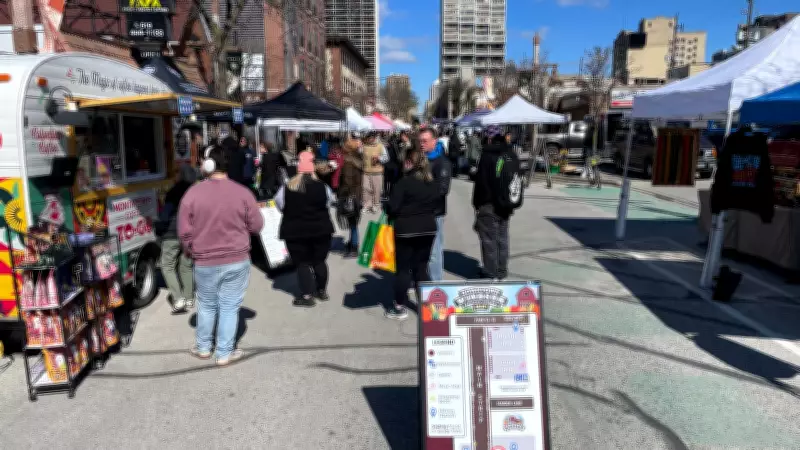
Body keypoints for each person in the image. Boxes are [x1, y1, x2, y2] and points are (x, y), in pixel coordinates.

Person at [178, 145, 264, 366]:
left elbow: (184, 230)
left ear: (208, 165)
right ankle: (224, 353)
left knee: (206, 305)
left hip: (204, 260)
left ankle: (204, 347)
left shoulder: (193, 193)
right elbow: (257, 225)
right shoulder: (243, 192)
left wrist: (189, 250)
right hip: (237, 259)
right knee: (229, 306)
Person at [384, 148, 439, 320]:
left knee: (403, 270)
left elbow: (393, 207)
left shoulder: (403, 182)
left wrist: (387, 205)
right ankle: (428, 307)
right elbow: (437, 204)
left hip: (406, 230)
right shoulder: (431, 182)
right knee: (421, 267)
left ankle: (399, 306)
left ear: (408, 162)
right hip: (428, 228)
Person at [276, 150, 336, 308]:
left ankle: (307, 295)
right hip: (321, 228)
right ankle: (322, 291)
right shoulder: (322, 186)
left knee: (302, 263)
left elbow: (279, 204)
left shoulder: (287, 187)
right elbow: (329, 202)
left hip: (295, 230)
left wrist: (292, 211)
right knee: (319, 261)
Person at [471, 132, 523, 280]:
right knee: (502, 238)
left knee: (489, 240)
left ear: (490, 140)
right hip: (506, 204)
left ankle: (490, 272)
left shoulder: (487, 156)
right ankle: (501, 270)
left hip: (488, 204)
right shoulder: (511, 154)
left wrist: (476, 204)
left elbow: (481, 182)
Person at [157, 164, 197, 313]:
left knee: (167, 265)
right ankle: (189, 297)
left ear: (180, 176)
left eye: (176, 174)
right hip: (190, 233)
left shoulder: (173, 192)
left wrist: (156, 223)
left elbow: (166, 215)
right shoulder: (195, 192)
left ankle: (178, 298)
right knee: (186, 265)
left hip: (173, 233)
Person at [418, 128, 451, 281]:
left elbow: (443, 189)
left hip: (434, 212)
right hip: (418, 212)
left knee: (434, 251)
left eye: (424, 141)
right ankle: (422, 280)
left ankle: (436, 284)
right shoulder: (420, 159)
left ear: (434, 141)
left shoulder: (442, 162)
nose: (421, 144)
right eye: (420, 141)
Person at [336, 135, 364, 257]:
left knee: (352, 222)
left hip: (350, 195)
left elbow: (347, 182)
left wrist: (341, 194)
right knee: (354, 221)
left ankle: (354, 247)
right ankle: (353, 242)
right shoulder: (358, 159)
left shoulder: (348, 162)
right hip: (357, 195)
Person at [361, 132, 390, 213]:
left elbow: (386, 158)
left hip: (377, 172)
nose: (369, 139)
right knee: (366, 188)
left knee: (376, 189)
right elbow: (360, 155)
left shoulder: (380, 146)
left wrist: (379, 158)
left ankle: (376, 205)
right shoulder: (364, 146)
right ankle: (367, 205)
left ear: (374, 138)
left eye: (371, 137)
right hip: (366, 171)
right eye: (368, 137)